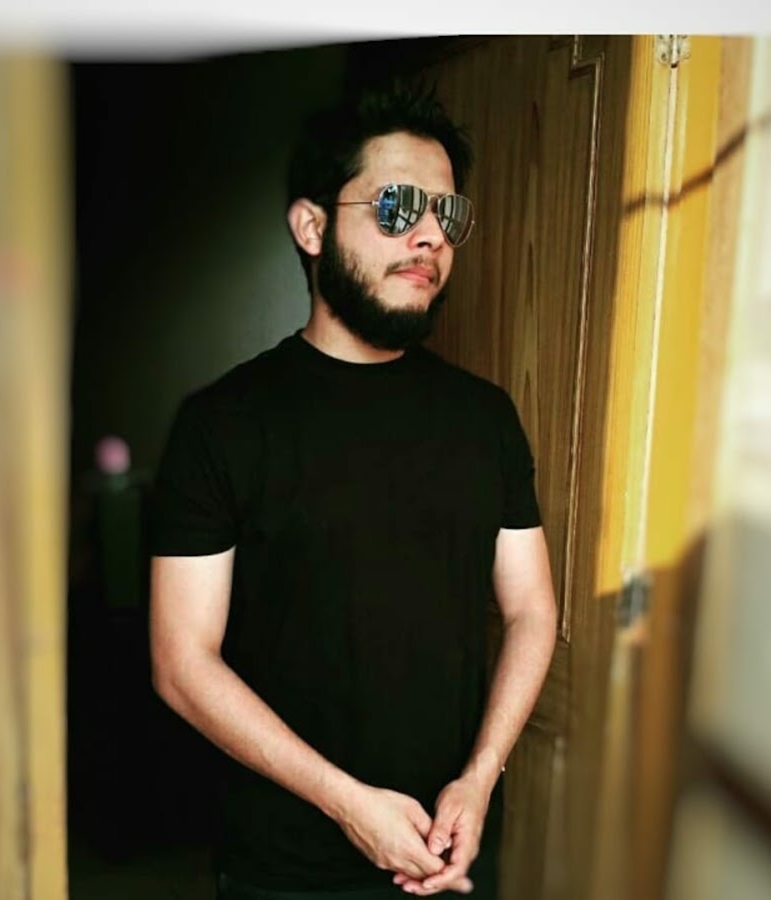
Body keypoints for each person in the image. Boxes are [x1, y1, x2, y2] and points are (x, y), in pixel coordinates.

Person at [149, 83, 557, 900]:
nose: (431, 235)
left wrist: (480, 778)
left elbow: (531, 610)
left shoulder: (485, 418)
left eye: (447, 213)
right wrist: (347, 804)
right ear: (312, 227)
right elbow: (181, 663)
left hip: (453, 854)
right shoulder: (222, 424)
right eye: (398, 207)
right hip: (286, 869)